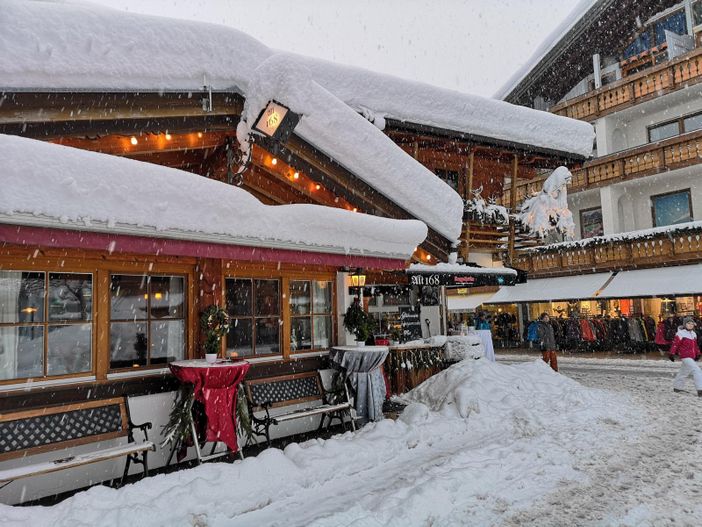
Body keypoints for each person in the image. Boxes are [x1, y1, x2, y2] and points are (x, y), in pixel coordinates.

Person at [669, 316, 702, 396]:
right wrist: (671, 353)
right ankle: (700, 390)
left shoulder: (694, 334)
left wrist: (698, 354)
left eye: (692, 324)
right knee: (697, 370)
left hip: (691, 356)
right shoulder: (680, 333)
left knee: (683, 372)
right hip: (685, 356)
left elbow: (695, 346)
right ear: (685, 324)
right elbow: (675, 344)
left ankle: (677, 387)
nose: (690, 325)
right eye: (688, 323)